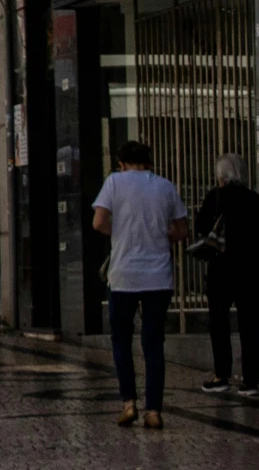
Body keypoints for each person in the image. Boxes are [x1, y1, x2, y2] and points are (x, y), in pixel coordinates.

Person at [93, 137, 190, 429]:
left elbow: (98, 222)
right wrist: (160, 238)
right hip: (158, 276)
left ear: (121, 163)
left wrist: (120, 235)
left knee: (121, 340)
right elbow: (182, 229)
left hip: (123, 276)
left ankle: (128, 404)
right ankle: (154, 411)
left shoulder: (114, 183)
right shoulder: (165, 186)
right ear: (149, 161)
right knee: (153, 344)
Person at [197, 152, 259, 398]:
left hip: (221, 271)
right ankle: (251, 381)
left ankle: (222, 376)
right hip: (251, 272)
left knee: (219, 324)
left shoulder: (214, 199)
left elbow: (201, 232)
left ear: (220, 175)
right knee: (251, 325)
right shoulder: (255, 200)